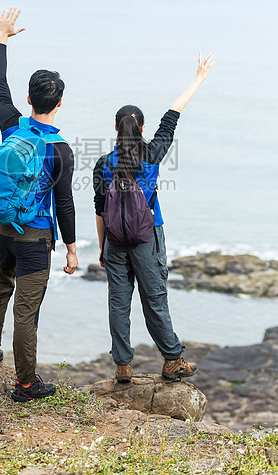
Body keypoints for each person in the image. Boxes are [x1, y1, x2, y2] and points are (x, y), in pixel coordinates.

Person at [93, 53, 215, 382]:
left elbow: (100, 208)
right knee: (155, 297)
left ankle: (122, 366)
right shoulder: (153, 152)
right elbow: (172, 115)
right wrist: (198, 79)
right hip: (148, 236)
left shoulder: (104, 163)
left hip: (115, 242)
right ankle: (171, 360)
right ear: (142, 128)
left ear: (115, 128)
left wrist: (103, 249)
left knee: (118, 302)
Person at [0, 7, 78, 402]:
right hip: (35, 239)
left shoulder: (10, 124)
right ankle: (25, 383)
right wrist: (71, 249)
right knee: (26, 311)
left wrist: (1, 37)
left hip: (2, 227)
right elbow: (65, 205)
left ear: (28, 99)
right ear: (58, 104)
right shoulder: (61, 151)